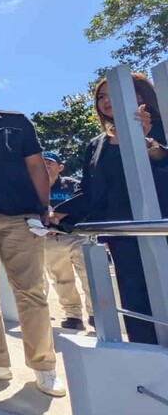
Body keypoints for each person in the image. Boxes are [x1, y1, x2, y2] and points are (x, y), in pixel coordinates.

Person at [0, 69, 66, 397]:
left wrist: (43, 207)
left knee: (31, 292)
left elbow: (36, 166)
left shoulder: (16, 123)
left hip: (20, 219)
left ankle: (44, 366)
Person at [56, 74, 167, 344]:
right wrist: (59, 214)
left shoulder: (161, 126)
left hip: (160, 229)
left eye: (113, 93)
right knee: (136, 305)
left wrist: (149, 145)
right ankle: (146, 360)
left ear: (140, 95)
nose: (106, 101)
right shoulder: (96, 145)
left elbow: (161, 159)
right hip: (123, 238)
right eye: (101, 97)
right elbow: (91, 193)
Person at [40, 151, 93, 330]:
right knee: (61, 280)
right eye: (43, 162)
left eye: (50, 162)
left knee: (89, 276)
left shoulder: (71, 185)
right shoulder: (33, 188)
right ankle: (73, 316)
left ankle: (96, 314)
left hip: (77, 236)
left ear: (60, 167)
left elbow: (85, 201)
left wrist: (60, 215)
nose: (46, 165)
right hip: (51, 240)